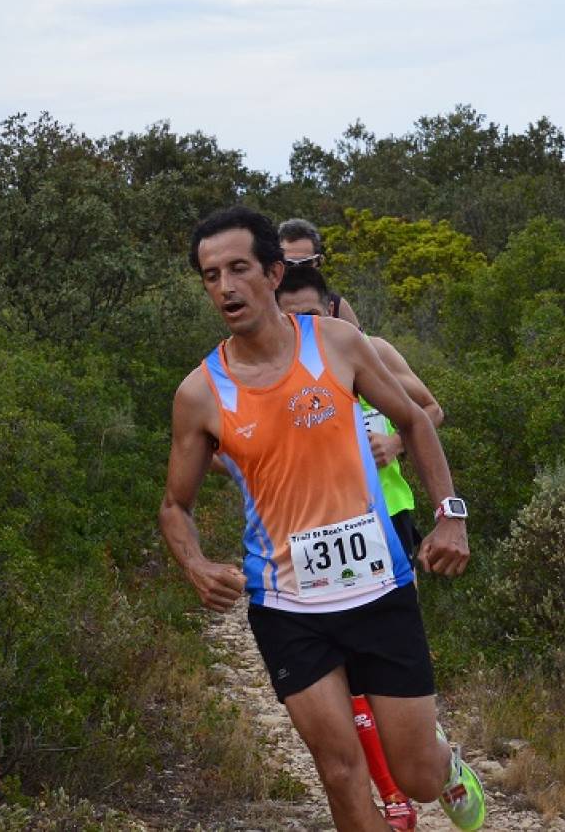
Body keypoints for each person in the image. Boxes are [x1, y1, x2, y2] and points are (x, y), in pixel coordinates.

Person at [159, 205, 486, 831]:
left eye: (238, 269)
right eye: (210, 276)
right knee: (339, 771)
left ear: (273, 272)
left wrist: (451, 516)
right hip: (287, 607)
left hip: (379, 589)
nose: (225, 287)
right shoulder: (200, 393)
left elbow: (416, 419)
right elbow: (175, 505)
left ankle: (443, 764)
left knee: (415, 775)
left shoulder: (336, 344)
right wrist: (195, 564)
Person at [278, 266, 444, 830]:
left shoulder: (369, 350)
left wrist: (393, 443)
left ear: (331, 306)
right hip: (316, 530)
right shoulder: (269, 372)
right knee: (342, 678)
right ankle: (392, 796)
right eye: (289, 314)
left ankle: (429, 754)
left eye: (310, 312)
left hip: (387, 517)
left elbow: (428, 411)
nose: (301, 325)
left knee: (381, 668)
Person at [278, 218, 361, 328]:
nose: (297, 269)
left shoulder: (337, 305)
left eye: (305, 263)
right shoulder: (263, 303)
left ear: (318, 262)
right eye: (288, 263)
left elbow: (360, 338)